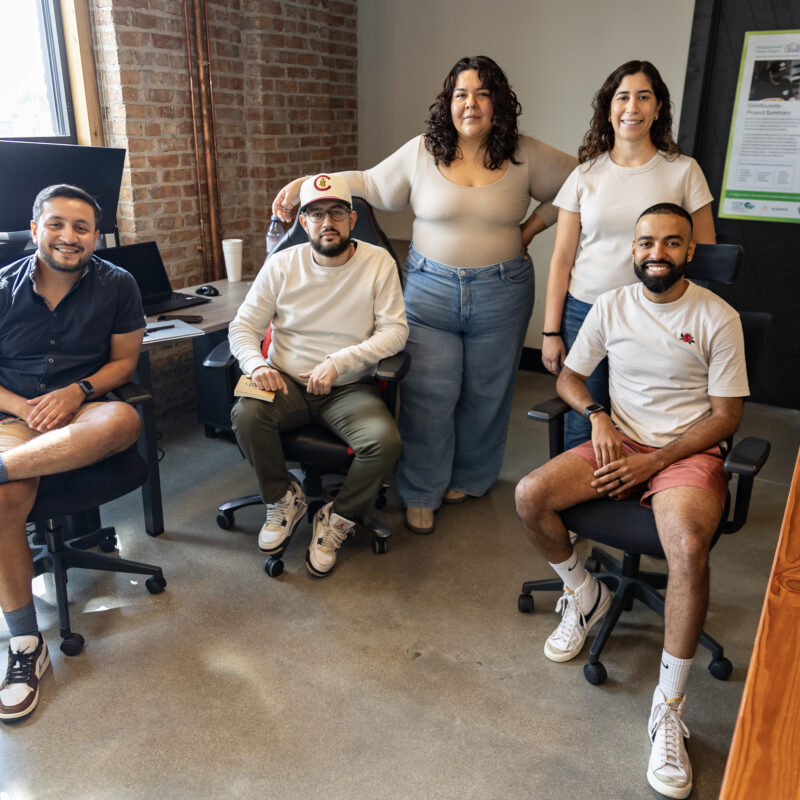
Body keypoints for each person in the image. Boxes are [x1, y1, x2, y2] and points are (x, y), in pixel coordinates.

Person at [272, 56, 576, 535]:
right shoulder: (423, 151)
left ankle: (472, 480)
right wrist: (307, 184)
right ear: (448, 102)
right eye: (460, 94)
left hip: (503, 291)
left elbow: (579, 181)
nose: (470, 103)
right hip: (430, 289)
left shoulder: (523, 154)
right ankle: (420, 491)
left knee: (486, 393)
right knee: (429, 395)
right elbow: (370, 182)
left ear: (498, 101)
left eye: (481, 93)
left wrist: (533, 227)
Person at [515, 204, 749, 799]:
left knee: (689, 549)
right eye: (646, 242)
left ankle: (668, 706)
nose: (656, 254)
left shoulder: (717, 316)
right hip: (617, 441)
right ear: (634, 247)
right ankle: (582, 590)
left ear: (690, 251)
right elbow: (570, 374)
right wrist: (595, 414)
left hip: (686, 452)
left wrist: (659, 459)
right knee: (531, 495)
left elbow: (726, 415)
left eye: (672, 243)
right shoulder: (612, 305)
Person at [0, 184, 145, 721]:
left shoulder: (119, 285)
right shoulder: (2, 287)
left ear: (95, 237)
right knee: (5, 502)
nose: (69, 237)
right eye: (56, 224)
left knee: (126, 418)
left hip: (83, 410)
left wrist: (77, 391)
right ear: (34, 230)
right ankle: (25, 647)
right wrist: (25, 406)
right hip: (12, 413)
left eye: (81, 228)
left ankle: (1, 469)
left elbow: (123, 365)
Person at [229, 174, 408, 577]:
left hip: (347, 388)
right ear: (304, 222)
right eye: (315, 214)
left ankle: (338, 519)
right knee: (246, 414)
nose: (327, 222)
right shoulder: (282, 264)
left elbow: (396, 332)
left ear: (352, 218)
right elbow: (243, 328)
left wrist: (340, 362)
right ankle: (282, 497)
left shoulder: (377, 262)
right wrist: (257, 365)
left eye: (336, 213)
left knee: (384, 441)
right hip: (285, 381)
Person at [541, 60, 716, 449]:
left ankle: (642, 485)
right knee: (585, 417)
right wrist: (552, 331)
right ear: (608, 108)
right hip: (586, 310)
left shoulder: (684, 171)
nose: (632, 107)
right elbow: (562, 259)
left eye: (643, 97)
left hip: (658, 314)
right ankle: (580, 493)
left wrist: (696, 321)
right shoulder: (585, 175)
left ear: (658, 108)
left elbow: (704, 255)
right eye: (622, 97)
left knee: (646, 416)